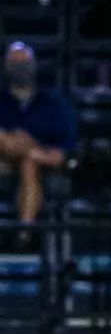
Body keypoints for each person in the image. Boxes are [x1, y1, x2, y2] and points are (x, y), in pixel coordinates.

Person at [0, 42, 76, 243]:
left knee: (29, 163)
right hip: (3, 160)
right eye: (14, 63)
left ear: (34, 65)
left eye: (24, 63)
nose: (20, 68)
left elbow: (65, 148)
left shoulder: (54, 104)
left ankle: (25, 234)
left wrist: (30, 149)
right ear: (6, 67)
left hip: (43, 161)